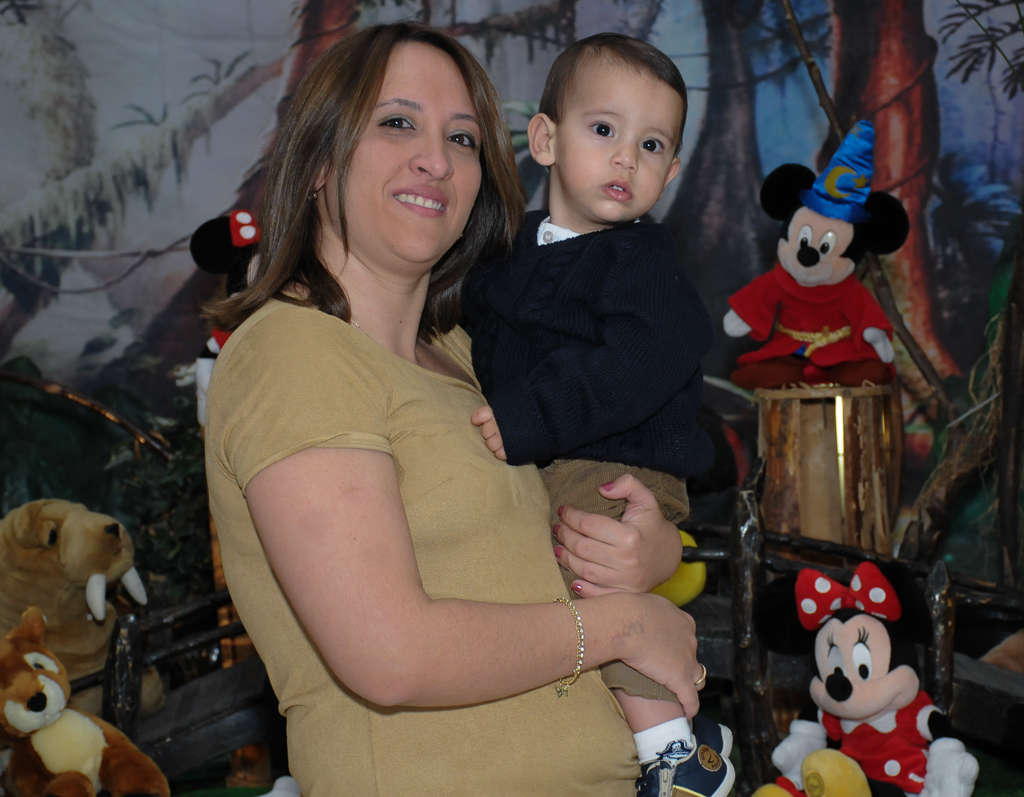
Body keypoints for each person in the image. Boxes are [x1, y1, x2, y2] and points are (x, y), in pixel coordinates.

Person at [203, 23, 706, 796]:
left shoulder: (476, 355)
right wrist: (624, 625)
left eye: (464, 137)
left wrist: (652, 552)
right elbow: (390, 655)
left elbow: (569, 518)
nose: (436, 159)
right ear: (319, 158)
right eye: (396, 122)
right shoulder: (293, 353)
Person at [462, 34, 731, 797]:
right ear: (545, 139)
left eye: (651, 145)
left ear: (672, 172)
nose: (625, 159)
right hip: (548, 458)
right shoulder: (511, 255)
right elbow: (474, 328)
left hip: (619, 463)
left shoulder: (643, 265)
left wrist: (527, 416)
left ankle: (675, 752)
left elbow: (642, 362)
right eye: (604, 130)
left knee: (596, 584)